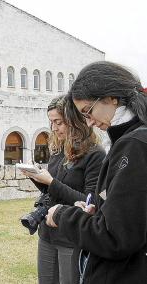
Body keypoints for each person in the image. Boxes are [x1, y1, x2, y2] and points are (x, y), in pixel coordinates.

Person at [46, 61, 147, 283]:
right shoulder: (130, 141)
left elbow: (115, 237)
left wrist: (63, 215)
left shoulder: (134, 145)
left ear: (112, 98)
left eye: (88, 111)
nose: (89, 122)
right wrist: (100, 210)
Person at [20, 95, 105, 284]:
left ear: (74, 120)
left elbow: (88, 202)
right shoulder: (58, 150)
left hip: (72, 235)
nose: (54, 128)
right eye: (51, 122)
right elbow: (53, 191)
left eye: (58, 122)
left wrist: (51, 182)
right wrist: (37, 177)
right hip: (47, 233)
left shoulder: (95, 154)